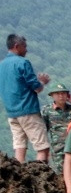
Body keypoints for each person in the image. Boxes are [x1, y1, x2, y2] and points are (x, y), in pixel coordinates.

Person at [3, 35, 52, 164]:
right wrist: (41, 82)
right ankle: (39, 178)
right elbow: (36, 88)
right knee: (42, 148)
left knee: (19, 146)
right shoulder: (22, 63)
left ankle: (19, 177)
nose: (26, 50)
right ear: (16, 46)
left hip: (12, 112)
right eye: (24, 46)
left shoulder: (2, 65)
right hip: (28, 109)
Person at [44, 84, 71, 173]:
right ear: (52, 96)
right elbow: (43, 130)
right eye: (57, 94)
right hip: (59, 149)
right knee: (62, 173)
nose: (61, 96)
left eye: (63, 93)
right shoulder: (47, 110)